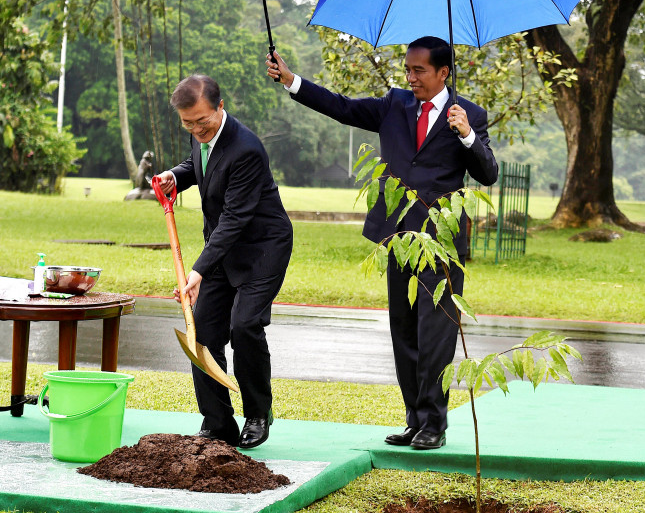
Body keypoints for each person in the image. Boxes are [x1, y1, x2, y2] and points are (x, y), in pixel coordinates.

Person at [266, 37, 498, 450]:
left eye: (419, 70)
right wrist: (291, 80)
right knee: (403, 330)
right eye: (407, 69)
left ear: (444, 72)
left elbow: (488, 174)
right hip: (398, 237)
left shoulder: (470, 115)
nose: (410, 78)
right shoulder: (394, 104)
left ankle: (434, 423)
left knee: (436, 333)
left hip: (442, 242)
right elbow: (342, 107)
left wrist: (466, 135)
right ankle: (414, 419)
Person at [155, 75, 293, 449]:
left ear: (220, 106)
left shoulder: (247, 149)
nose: (197, 129)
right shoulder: (200, 131)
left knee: (245, 326)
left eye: (202, 121)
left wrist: (197, 271)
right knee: (202, 332)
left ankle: (258, 414)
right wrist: (174, 176)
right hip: (222, 249)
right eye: (188, 124)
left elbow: (234, 219)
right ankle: (218, 423)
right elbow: (200, 162)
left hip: (261, 249)